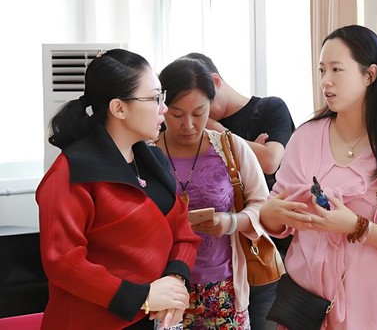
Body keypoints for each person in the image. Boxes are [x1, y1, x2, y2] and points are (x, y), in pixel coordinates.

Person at [259, 24, 377, 329]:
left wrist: (356, 226)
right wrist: (270, 213)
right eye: (322, 70)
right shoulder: (305, 138)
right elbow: (278, 218)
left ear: (370, 75)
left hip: (370, 308)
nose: (325, 81)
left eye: (337, 69)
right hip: (305, 309)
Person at [37, 49, 201, 329]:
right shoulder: (70, 171)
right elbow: (63, 261)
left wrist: (174, 280)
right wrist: (141, 296)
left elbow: (183, 233)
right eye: (155, 98)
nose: (163, 108)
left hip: (147, 318)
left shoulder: (153, 160)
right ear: (119, 108)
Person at [155, 57, 277, 330]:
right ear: (162, 107)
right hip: (165, 288)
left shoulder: (230, 147)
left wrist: (230, 222)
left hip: (224, 289)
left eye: (199, 113)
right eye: (176, 114)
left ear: (211, 105)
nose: (188, 124)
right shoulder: (146, 152)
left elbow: (262, 204)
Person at [183, 52, 295, 330]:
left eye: (200, 109)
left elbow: (270, 161)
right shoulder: (191, 131)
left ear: (214, 82)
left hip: (264, 250)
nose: (193, 121)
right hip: (218, 262)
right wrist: (250, 147)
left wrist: (221, 134)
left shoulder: (269, 109)